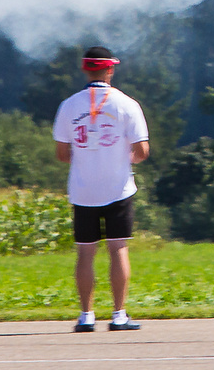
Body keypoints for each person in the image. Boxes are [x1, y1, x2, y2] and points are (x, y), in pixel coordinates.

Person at [52, 46, 150, 333]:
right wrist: (120, 158)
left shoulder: (69, 105)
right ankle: (119, 315)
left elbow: (61, 153)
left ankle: (86, 316)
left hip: (83, 191)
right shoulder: (127, 104)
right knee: (118, 248)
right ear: (111, 69)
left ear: (85, 70)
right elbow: (142, 150)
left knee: (85, 253)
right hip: (118, 188)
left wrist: (85, 157)